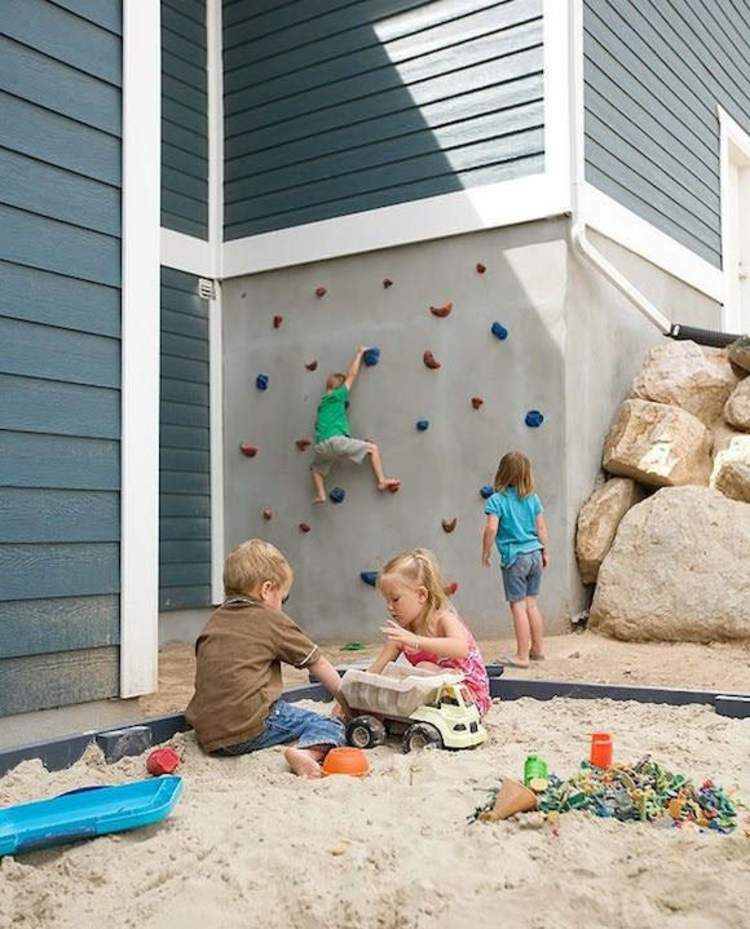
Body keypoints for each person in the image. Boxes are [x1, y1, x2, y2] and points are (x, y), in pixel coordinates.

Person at [185, 539, 346, 777]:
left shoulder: (215, 620)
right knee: (327, 725)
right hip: (248, 729)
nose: (281, 606)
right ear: (266, 590)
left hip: (208, 735)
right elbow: (317, 662)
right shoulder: (270, 619)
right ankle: (306, 754)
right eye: (283, 598)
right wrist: (347, 701)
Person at [368, 548, 491, 716]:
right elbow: (375, 671)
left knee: (422, 668)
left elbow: (461, 648)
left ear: (421, 595)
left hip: (468, 696)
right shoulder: (401, 635)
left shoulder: (443, 619)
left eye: (395, 599)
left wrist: (416, 640)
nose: (389, 607)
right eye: (387, 600)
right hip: (436, 696)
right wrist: (343, 702)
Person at [481, 451, 549, 669]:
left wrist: (486, 551)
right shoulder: (533, 498)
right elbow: (541, 528)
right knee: (532, 604)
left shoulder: (497, 500)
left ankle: (522, 655)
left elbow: (491, 527)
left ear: (502, 472)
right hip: (535, 553)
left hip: (515, 557)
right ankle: (537, 649)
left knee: (518, 607)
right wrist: (545, 552)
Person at [310, 346, 400, 503]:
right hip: (336, 441)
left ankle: (321, 494)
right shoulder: (338, 396)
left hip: (321, 446)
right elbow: (352, 374)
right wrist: (359, 353)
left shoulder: (322, 403)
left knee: (316, 470)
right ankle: (382, 480)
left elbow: (318, 425)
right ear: (339, 387)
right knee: (373, 448)